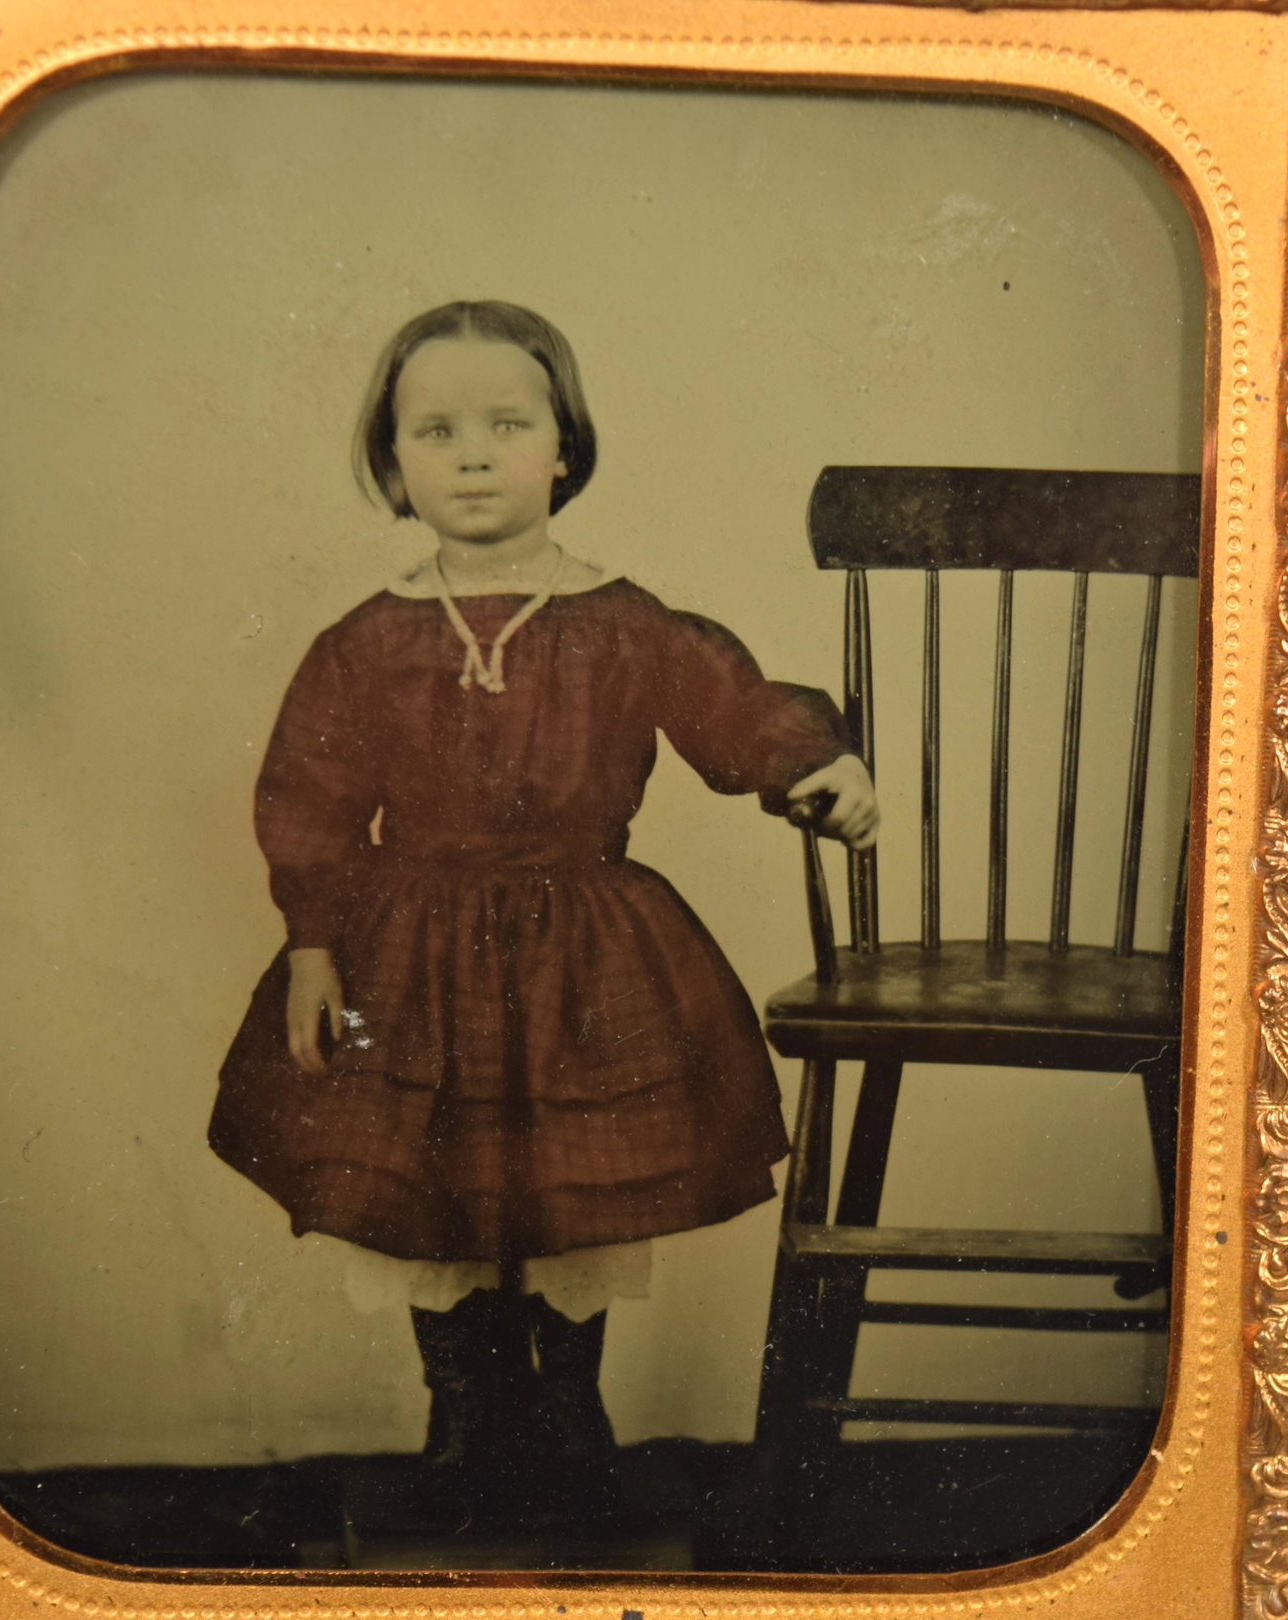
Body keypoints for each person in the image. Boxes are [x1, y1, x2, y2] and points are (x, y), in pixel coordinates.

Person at [209, 300, 877, 1513]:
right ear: (393, 463)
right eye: (435, 430)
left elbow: (728, 709)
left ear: (562, 449)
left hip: (586, 948)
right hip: (403, 953)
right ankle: (461, 1424)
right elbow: (305, 799)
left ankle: (574, 1419)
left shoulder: (623, 622)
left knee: (580, 1188)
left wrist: (812, 763)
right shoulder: (362, 643)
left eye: (507, 424)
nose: (471, 453)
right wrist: (312, 943)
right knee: (430, 1186)